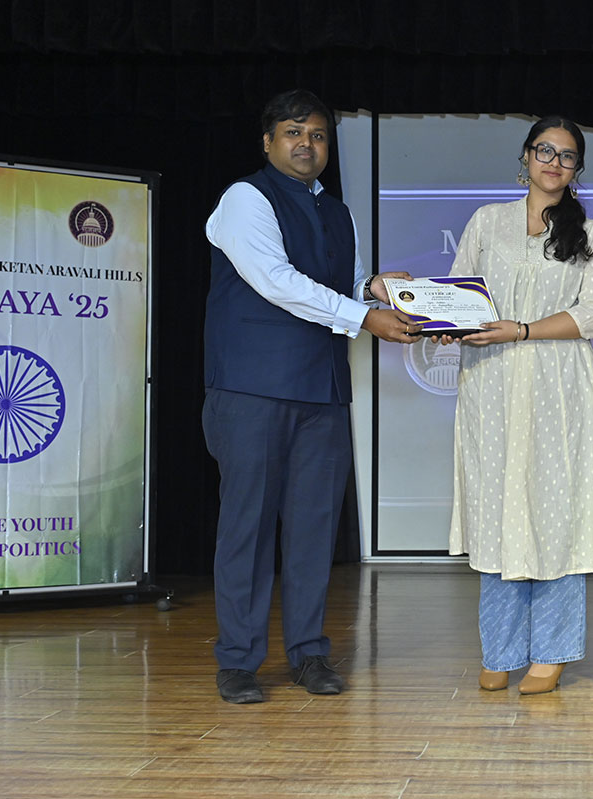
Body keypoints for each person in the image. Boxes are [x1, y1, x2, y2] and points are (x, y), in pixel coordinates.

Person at [202, 89, 420, 704]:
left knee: (314, 528)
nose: (307, 144)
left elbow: (337, 286)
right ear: (268, 141)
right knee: (247, 527)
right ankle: (238, 661)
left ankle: (308, 653)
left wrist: (372, 289)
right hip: (252, 389)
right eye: (294, 132)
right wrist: (363, 316)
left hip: (321, 389)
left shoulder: (337, 211)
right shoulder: (246, 198)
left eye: (318, 134)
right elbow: (276, 281)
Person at [445, 117, 593, 695]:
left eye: (567, 156)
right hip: (491, 385)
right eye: (544, 151)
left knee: (557, 514)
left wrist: (521, 329)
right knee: (498, 511)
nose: (554, 162)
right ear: (525, 157)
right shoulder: (487, 221)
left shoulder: (592, 233)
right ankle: (499, 649)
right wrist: (444, 323)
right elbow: (456, 292)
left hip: (557, 386)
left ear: (578, 169)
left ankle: (551, 651)